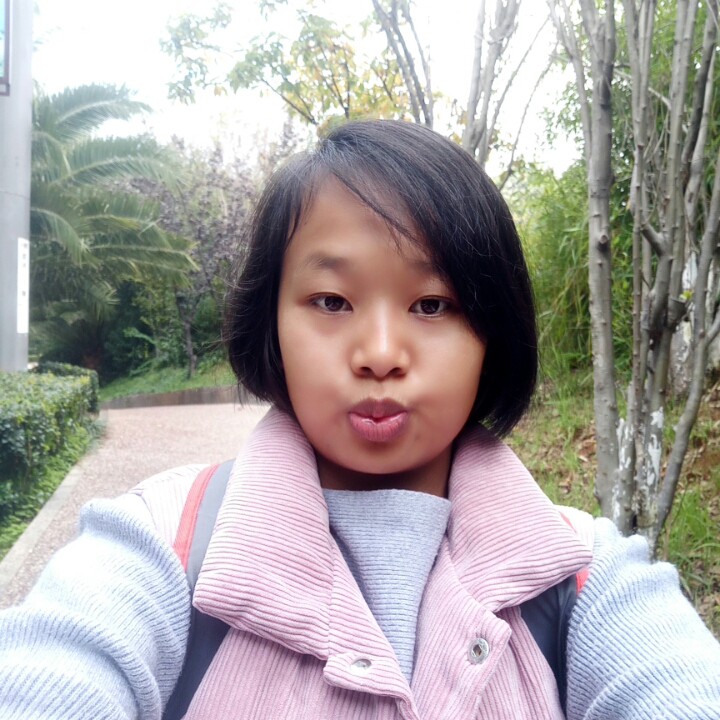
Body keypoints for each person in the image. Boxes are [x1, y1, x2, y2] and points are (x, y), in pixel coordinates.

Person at [0, 119, 719, 720]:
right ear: (271, 322)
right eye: (331, 302)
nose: (378, 354)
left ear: (491, 333)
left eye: (432, 305)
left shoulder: (585, 579)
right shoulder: (162, 542)